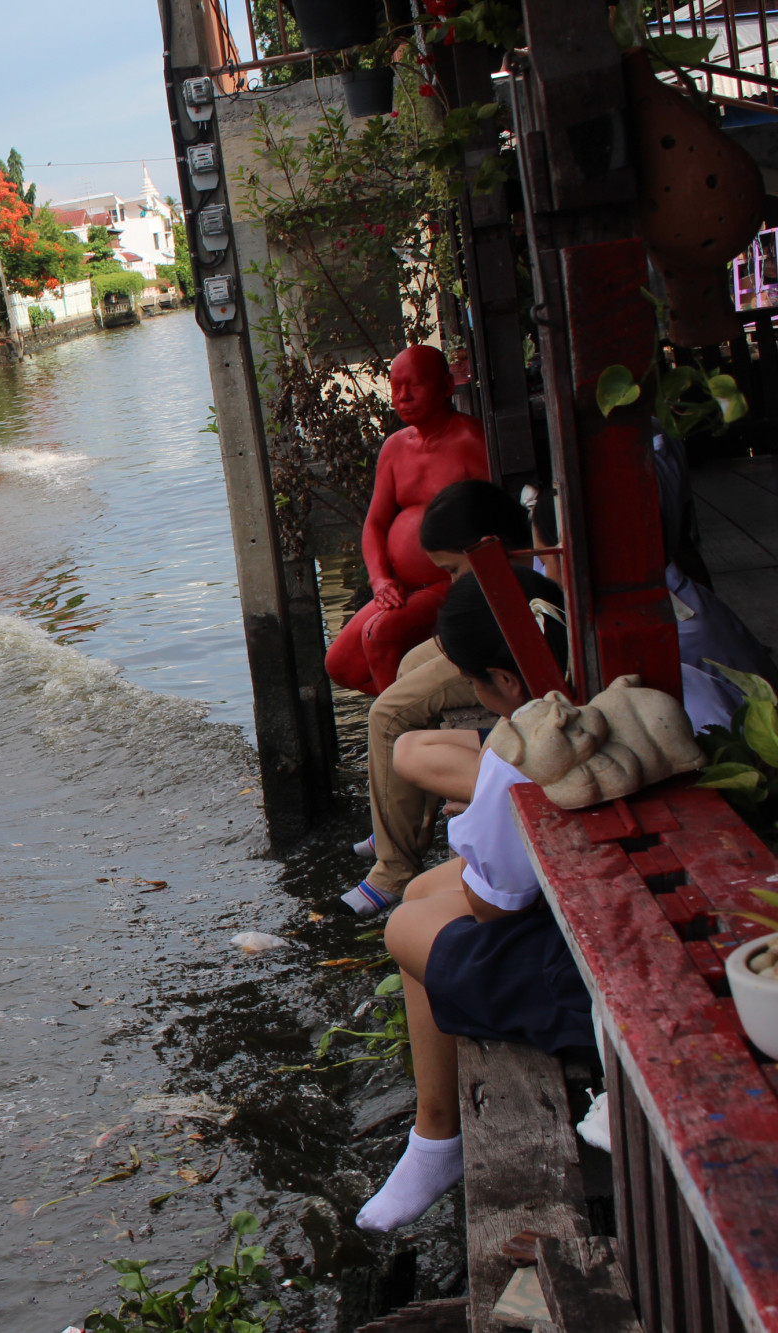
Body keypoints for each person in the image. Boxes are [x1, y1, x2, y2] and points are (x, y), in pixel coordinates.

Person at [356, 565, 595, 1233]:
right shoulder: (600, 684)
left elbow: (496, 909)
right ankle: (431, 1135)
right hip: (606, 902)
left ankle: (436, 1134)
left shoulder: (522, 750)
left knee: (405, 928)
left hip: (599, 980)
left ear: (505, 681)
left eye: (473, 682)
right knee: (431, 889)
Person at [346, 480, 535, 916]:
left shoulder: (532, 567)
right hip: (493, 625)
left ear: (488, 546)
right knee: (413, 661)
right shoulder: (518, 559)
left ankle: (393, 868)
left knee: (387, 715)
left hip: (500, 639)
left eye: (453, 570)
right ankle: (401, 822)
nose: (452, 581)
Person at [325, 346, 491, 697]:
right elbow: (375, 525)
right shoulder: (394, 448)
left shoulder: (472, 441)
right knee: (340, 665)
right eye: (395, 386)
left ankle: (398, 726)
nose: (402, 397)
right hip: (400, 586)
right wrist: (380, 579)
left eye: (413, 385)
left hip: (453, 581)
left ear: (447, 386)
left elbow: (499, 524)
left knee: (380, 634)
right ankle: (417, 705)